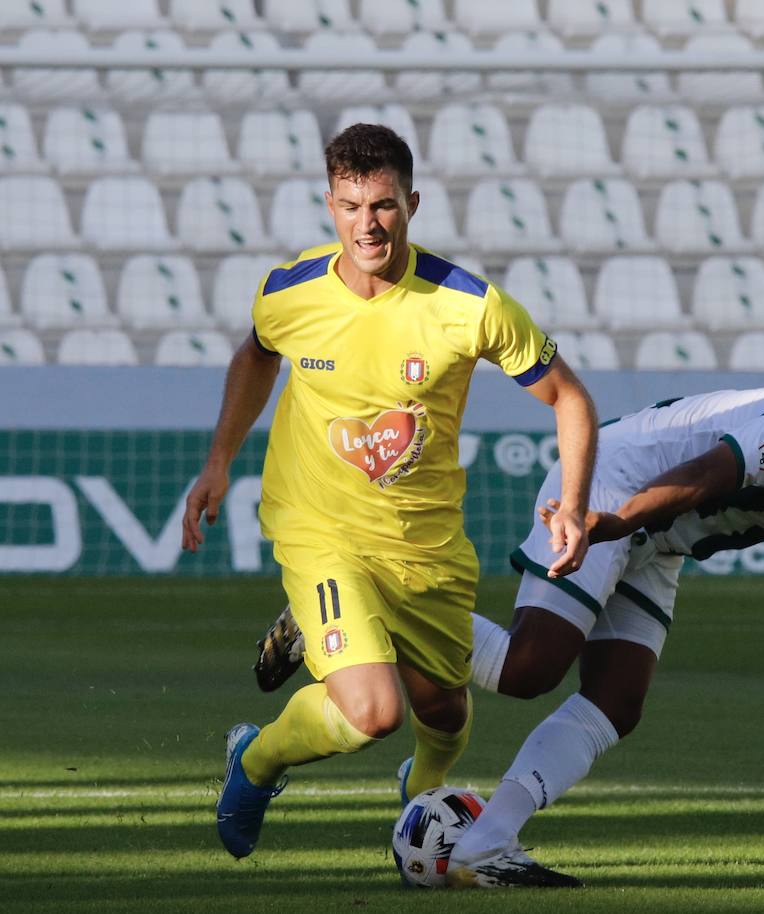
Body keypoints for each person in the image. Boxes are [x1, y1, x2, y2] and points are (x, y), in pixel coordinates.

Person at [258, 387, 764, 886]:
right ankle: (371, 606)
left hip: (663, 534)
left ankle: (487, 846)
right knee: (529, 668)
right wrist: (607, 522)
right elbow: (712, 473)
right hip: (621, 485)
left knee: (618, 699)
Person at [181, 123, 599, 860]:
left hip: (423, 542)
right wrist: (218, 461)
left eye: (381, 206)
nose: (366, 224)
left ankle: (420, 803)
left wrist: (572, 503)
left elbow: (569, 397)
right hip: (319, 528)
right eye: (349, 206)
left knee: (442, 711)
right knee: (373, 710)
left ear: (411, 201)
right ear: (329, 203)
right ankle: (255, 760)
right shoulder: (290, 290)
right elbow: (256, 356)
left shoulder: (468, 304)